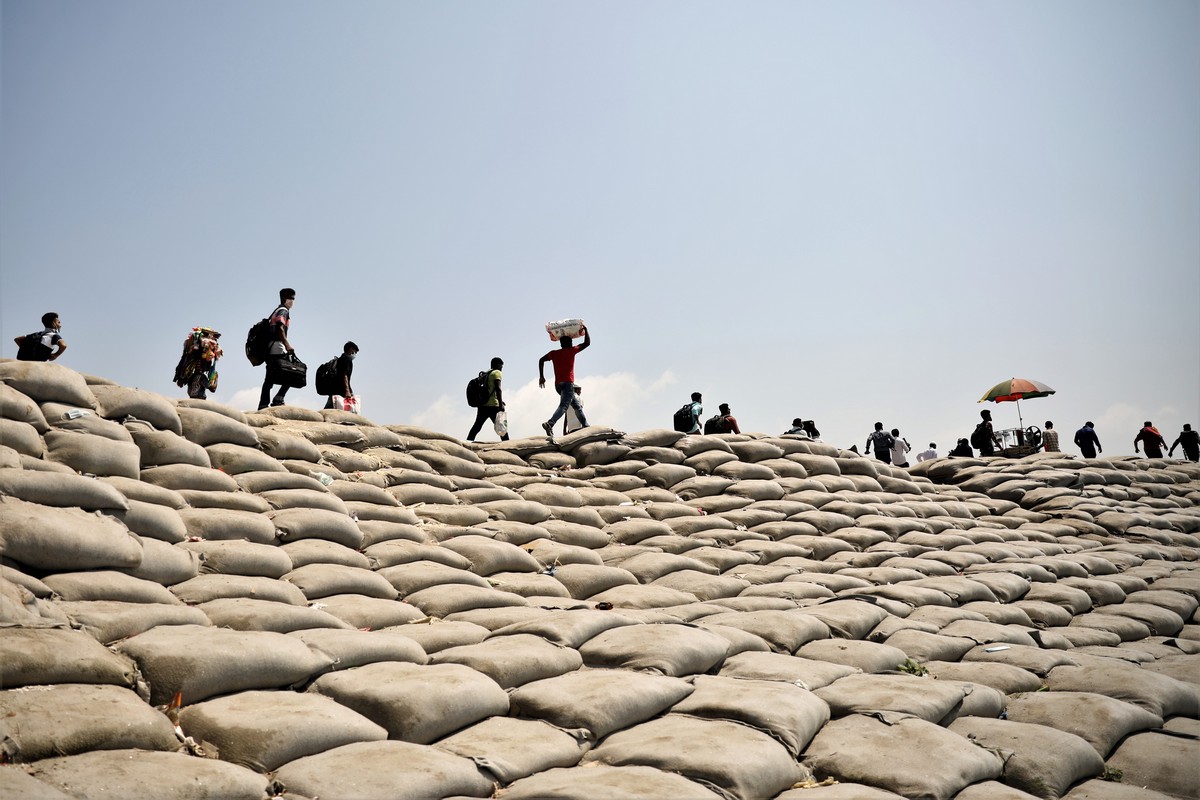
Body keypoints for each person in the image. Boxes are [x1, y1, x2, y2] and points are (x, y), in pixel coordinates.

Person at [538, 325, 590, 437]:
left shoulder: (554, 353)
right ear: (569, 343)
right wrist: (586, 330)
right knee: (564, 406)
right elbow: (587, 343)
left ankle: (586, 425)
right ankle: (550, 423)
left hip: (558, 385)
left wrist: (541, 376)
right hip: (567, 384)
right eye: (570, 342)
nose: (572, 343)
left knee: (576, 406)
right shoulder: (571, 351)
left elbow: (541, 360)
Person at [258, 288, 296, 410]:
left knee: (269, 377)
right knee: (292, 373)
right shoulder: (283, 311)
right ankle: (278, 399)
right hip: (277, 347)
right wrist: (287, 345)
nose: (293, 301)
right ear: (284, 298)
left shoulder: (276, 310)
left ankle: (263, 404)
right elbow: (280, 327)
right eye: (291, 298)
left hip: (269, 348)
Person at [173, 327, 223, 399]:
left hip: (191, 398)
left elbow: (181, 383)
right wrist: (216, 379)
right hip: (200, 398)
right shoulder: (201, 377)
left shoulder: (190, 376)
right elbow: (212, 389)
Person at [467, 356, 509, 442]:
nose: (501, 369)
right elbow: (498, 388)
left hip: (483, 405)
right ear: (498, 365)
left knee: (477, 426)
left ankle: (467, 442)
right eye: (501, 366)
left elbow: (489, 389)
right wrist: (500, 404)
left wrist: (500, 400)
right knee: (502, 428)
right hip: (493, 406)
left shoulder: (486, 373)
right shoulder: (497, 373)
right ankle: (508, 445)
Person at [324, 341, 359, 410]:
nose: (355, 354)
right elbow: (345, 375)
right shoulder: (347, 359)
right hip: (342, 391)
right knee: (352, 410)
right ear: (351, 349)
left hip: (334, 390)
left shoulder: (339, 359)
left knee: (328, 409)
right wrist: (347, 391)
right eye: (355, 352)